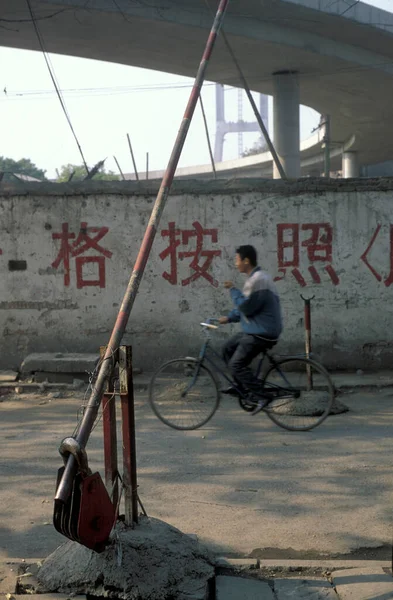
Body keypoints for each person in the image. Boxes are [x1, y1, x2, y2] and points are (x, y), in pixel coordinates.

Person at [219, 244, 282, 415]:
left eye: (237, 259)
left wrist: (233, 290)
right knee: (227, 348)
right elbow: (249, 307)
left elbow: (246, 307)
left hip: (262, 332)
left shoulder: (257, 280)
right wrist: (229, 318)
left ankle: (261, 396)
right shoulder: (256, 279)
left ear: (246, 260)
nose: (235, 263)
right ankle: (242, 388)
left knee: (236, 364)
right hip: (256, 329)